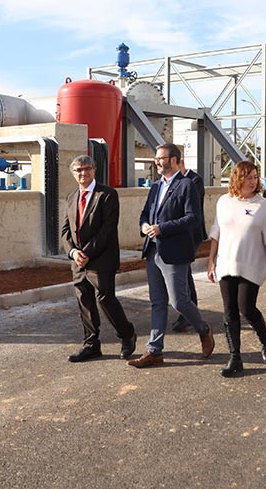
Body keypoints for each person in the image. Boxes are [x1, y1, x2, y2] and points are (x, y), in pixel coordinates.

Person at [129, 143, 214, 368]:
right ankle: (154, 350)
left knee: (179, 301)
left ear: (174, 160)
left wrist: (162, 228)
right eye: (156, 158)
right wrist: (146, 225)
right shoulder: (156, 187)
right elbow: (145, 213)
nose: (157, 162)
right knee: (157, 302)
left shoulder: (187, 185)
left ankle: (204, 329)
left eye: (162, 158)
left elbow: (193, 218)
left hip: (175, 251)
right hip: (153, 250)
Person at [60, 155, 138, 363]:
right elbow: (65, 231)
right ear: (73, 173)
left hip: (101, 258)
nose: (83, 173)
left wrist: (86, 253)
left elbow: (107, 229)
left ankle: (127, 334)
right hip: (78, 261)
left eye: (87, 169)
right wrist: (73, 253)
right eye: (78, 170)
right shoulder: (71, 197)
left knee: (105, 299)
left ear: (94, 170)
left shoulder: (107, 195)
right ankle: (91, 346)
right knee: (84, 302)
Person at [207, 161, 266, 377]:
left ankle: (265, 338)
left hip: (252, 263)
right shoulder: (224, 202)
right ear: (237, 178)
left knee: (246, 308)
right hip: (226, 262)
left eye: (255, 177)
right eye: (248, 177)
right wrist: (211, 261)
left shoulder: (262, 204)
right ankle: (235, 357)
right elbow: (216, 232)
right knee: (229, 310)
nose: (253, 181)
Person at [171, 159, 206, 333]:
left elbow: (189, 207)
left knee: (184, 272)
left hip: (191, 234)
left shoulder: (194, 180)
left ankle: (188, 312)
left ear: (180, 163)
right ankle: (188, 311)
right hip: (178, 233)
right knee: (183, 272)